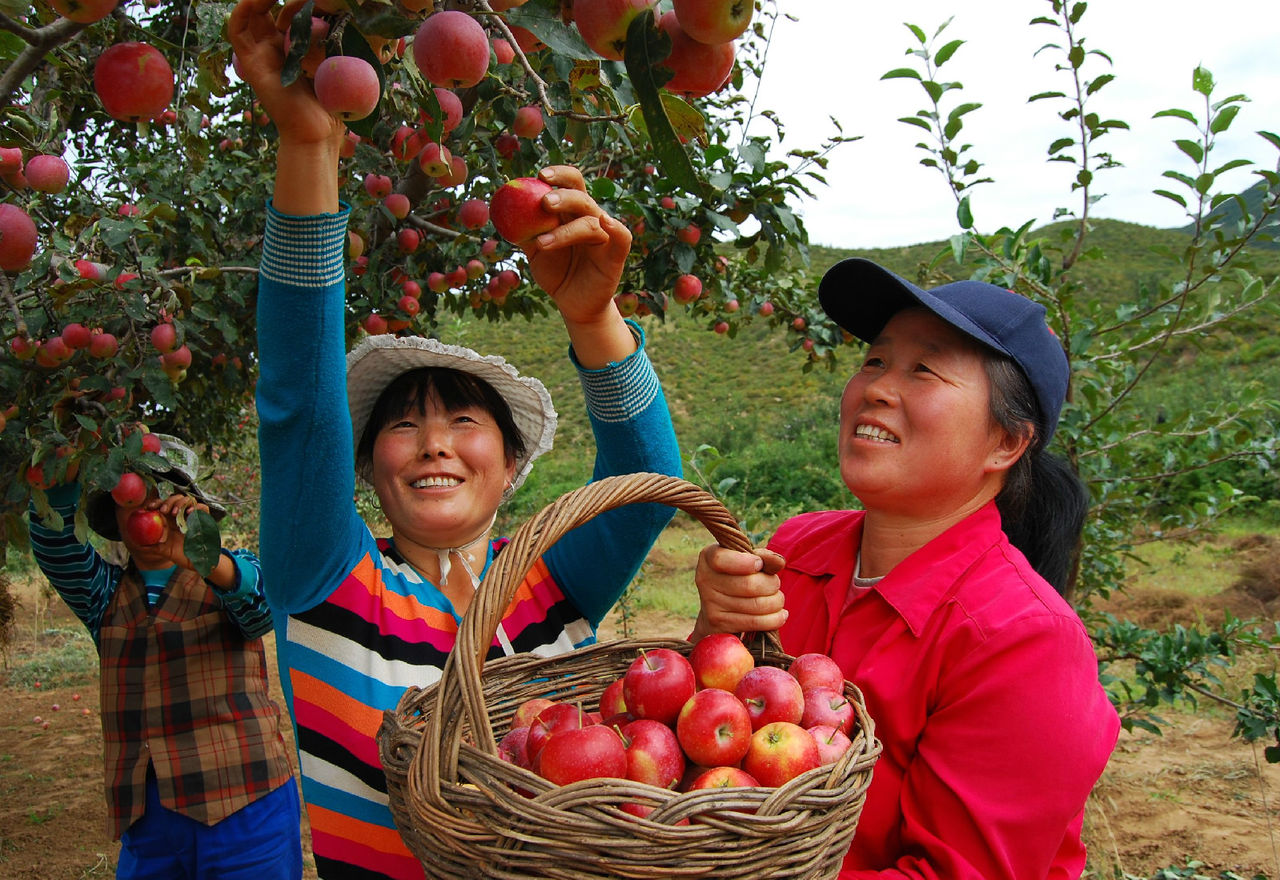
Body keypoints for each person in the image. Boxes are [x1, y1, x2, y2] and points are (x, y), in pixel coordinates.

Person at [227, 0, 682, 877]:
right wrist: (310, 148)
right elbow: (299, 404)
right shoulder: (330, 581)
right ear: (364, 468)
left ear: (512, 467)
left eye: (465, 423)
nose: (435, 443)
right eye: (404, 425)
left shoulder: (553, 584)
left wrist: (595, 317)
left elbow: (649, 477)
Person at [692, 258, 1120, 880]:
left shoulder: (1024, 641)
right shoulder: (796, 549)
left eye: (923, 369)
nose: (877, 388)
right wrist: (711, 630)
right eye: (875, 361)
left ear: (1007, 443)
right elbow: (698, 747)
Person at [27, 434, 302, 880]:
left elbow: (259, 610)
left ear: (189, 506)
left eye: (162, 494)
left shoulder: (225, 574)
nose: (148, 505)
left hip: (245, 802)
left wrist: (202, 554)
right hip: (147, 815)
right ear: (115, 516)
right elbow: (55, 546)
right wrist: (64, 456)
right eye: (131, 495)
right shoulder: (106, 595)